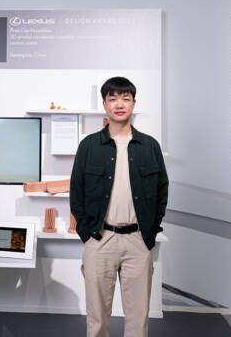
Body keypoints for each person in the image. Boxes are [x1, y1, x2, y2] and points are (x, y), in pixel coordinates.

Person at [70, 76, 168, 337]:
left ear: (134, 103)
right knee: (97, 318)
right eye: (112, 99)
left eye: (125, 98)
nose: (119, 104)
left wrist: (150, 232)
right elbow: (76, 193)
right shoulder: (89, 146)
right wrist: (87, 234)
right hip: (100, 239)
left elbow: (162, 191)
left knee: (138, 319)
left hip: (138, 240)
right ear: (104, 104)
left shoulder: (149, 146)